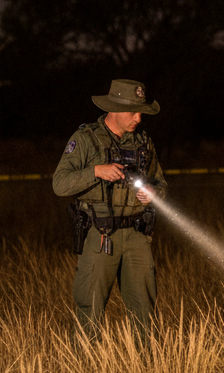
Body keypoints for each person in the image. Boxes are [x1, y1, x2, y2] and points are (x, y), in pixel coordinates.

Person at [52, 79, 167, 340]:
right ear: (114, 108)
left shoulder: (143, 143)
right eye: (133, 112)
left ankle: (148, 372)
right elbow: (59, 184)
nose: (139, 118)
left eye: (142, 112)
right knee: (89, 309)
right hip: (100, 234)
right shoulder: (85, 139)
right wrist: (96, 171)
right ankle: (83, 372)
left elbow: (160, 182)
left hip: (137, 236)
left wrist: (153, 194)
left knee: (145, 312)